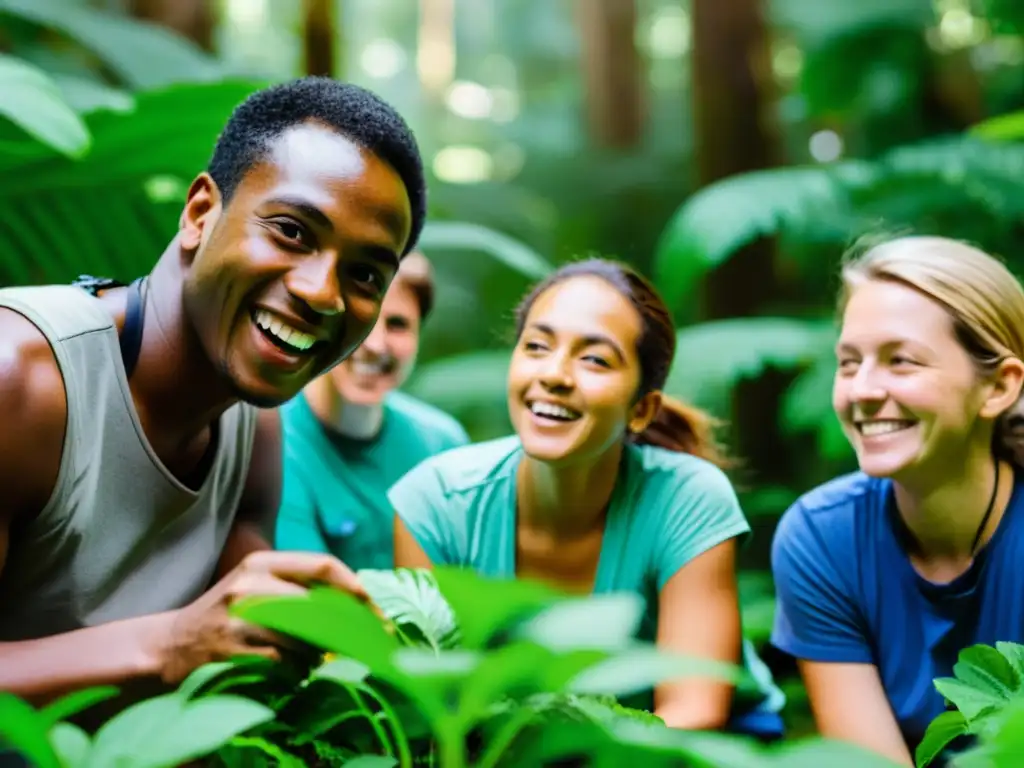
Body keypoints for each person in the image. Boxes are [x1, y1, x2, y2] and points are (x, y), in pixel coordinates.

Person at [0, 76, 426, 707]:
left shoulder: (256, 426)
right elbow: (188, 646)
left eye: (364, 273)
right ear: (201, 213)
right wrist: (168, 644)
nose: (322, 292)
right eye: (291, 231)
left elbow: (240, 658)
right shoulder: (21, 381)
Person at [388, 258, 784, 735]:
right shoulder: (436, 503)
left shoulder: (689, 499)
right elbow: (433, 704)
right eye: (537, 346)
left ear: (641, 410)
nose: (554, 374)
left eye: (594, 359)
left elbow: (693, 710)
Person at [770, 235, 1024, 765]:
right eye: (848, 363)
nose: (861, 389)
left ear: (999, 387)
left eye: (900, 361)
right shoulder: (822, 538)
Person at [274, 251, 469, 569]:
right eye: (361, 318)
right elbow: (309, 595)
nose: (375, 344)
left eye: (397, 325)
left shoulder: (443, 444)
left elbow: (465, 573)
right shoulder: (274, 437)